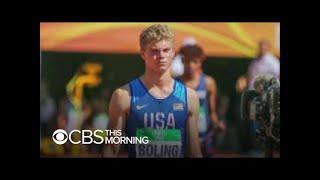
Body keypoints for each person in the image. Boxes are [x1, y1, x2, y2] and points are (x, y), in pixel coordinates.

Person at [104, 24, 202, 158]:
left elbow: (194, 152)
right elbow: (111, 148)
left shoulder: (189, 97)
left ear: (173, 52)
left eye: (166, 50)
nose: (161, 56)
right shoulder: (123, 96)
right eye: (154, 51)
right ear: (143, 53)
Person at [177, 44, 226, 157]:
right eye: (187, 61)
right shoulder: (174, 84)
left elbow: (212, 112)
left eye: (195, 62)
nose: (190, 65)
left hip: (204, 136)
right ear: (182, 61)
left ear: (201, 62)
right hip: (181, 136)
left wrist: (217, 124)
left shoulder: (209, 83)